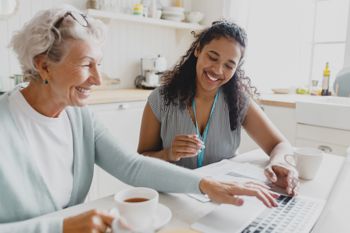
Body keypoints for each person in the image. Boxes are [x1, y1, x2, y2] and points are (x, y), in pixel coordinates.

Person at [0, 6, 278, 233]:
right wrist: (60, 227)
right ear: (43, 64)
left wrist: (205, 185)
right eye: (87, 65)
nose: (98, 79)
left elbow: (131, 165)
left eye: (99, 64)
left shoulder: (79, 117)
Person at [138, 20, 299, 196]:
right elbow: (140, 161)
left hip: (221, 199)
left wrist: (280, 163)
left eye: (229, 65)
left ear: (237, 68)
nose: (217, 69)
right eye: (212, 57)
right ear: (198, 50)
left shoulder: (238, 102)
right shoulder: (160, 99)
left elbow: (280, 144)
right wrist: (167, 154)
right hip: (172, 197)